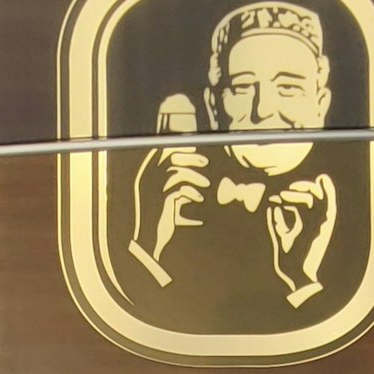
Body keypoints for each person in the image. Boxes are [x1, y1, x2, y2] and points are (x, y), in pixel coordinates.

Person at [126, 1, 342, 326]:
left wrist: (302, 279)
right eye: (242, 87)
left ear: (321, 104)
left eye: (288, 87)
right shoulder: (167, 201)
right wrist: (147, 246)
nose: (263, 110)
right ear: (213, 107)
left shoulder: (364, 206)